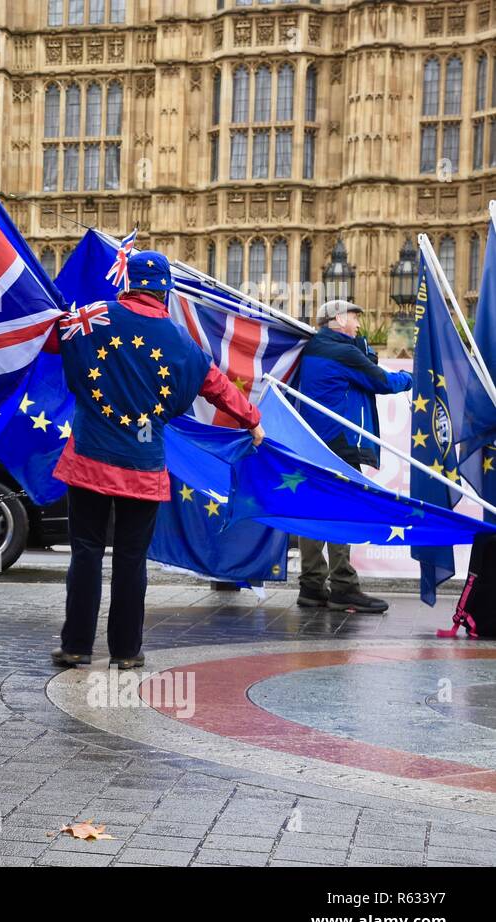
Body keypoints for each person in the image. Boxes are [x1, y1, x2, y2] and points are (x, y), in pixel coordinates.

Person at [52, 251, 265, 670]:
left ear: (127, 283)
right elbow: (219, 388)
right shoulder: (183, 345)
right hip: (143, 466)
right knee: (131, 560)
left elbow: (51, 336)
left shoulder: (94, 316)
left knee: (86, 552)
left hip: (90, 457)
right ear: (165, 290)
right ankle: (126, 651)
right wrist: (253, 422)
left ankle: (76, 646)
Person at [294, 299, 413, 613]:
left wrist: (361, 349)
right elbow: (383, 381)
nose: (360, 323)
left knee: (315, 511)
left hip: (313, 442)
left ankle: (311, 585)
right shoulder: (343, 352)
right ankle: (344, 586)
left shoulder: (316, 348)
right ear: (336, 319)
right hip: (339, 443)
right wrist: (412, 380)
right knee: (340, 511)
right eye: (354, 316)